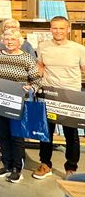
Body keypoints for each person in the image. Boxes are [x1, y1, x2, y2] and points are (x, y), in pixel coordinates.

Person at [0, 29, 41, 184]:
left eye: (13, 39)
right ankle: (6, 165)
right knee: (3, 135)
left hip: (18, 104)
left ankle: (17, 168)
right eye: (7, 39)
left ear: (19, 41)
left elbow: (36, 80)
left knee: (16, 136)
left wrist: (31, 88)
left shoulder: (26, 58)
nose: (9, 42)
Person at [34, 16, 85, 179]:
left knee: (71, 134)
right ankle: (45, 164)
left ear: (68, 29)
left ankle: (71, 168)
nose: (58, 31)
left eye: (61, 28)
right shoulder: (42, 46)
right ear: (50, 29)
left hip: (71, 96)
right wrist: (35, 84)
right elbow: (40, 66)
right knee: (46, 131)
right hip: (49, 94)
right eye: (54, 28)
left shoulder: (79, 49)